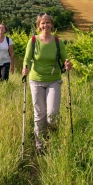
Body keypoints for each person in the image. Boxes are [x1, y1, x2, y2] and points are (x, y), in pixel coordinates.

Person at [22, 13, 72, 152]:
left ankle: (52, 139)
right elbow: (27, 59)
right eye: (43, 23)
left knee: (52, 115)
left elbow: (65, 59)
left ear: (52, 25)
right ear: (39, 26)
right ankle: (40, 145)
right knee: (40, 115)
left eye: (48, 23)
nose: (45, 25)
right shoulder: (33, 41)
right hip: (36, 80)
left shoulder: (57, 42)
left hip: (53, 81)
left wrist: (68, 64)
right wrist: (25, 68)